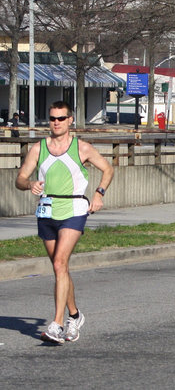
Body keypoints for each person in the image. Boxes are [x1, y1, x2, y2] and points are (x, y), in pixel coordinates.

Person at [16, 101, 114, 344]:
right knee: (59, 268)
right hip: (47, 210)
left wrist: (99, 193)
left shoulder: (82, 148)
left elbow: (108, 169)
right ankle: (75, 315)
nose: (56, 123)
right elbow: (20, 178)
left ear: (71, 120)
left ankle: (56, 324)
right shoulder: (38, 149)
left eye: (61, 118)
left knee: (60, 262)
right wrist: (30, 184)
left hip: (74, 208)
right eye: (52, 118)